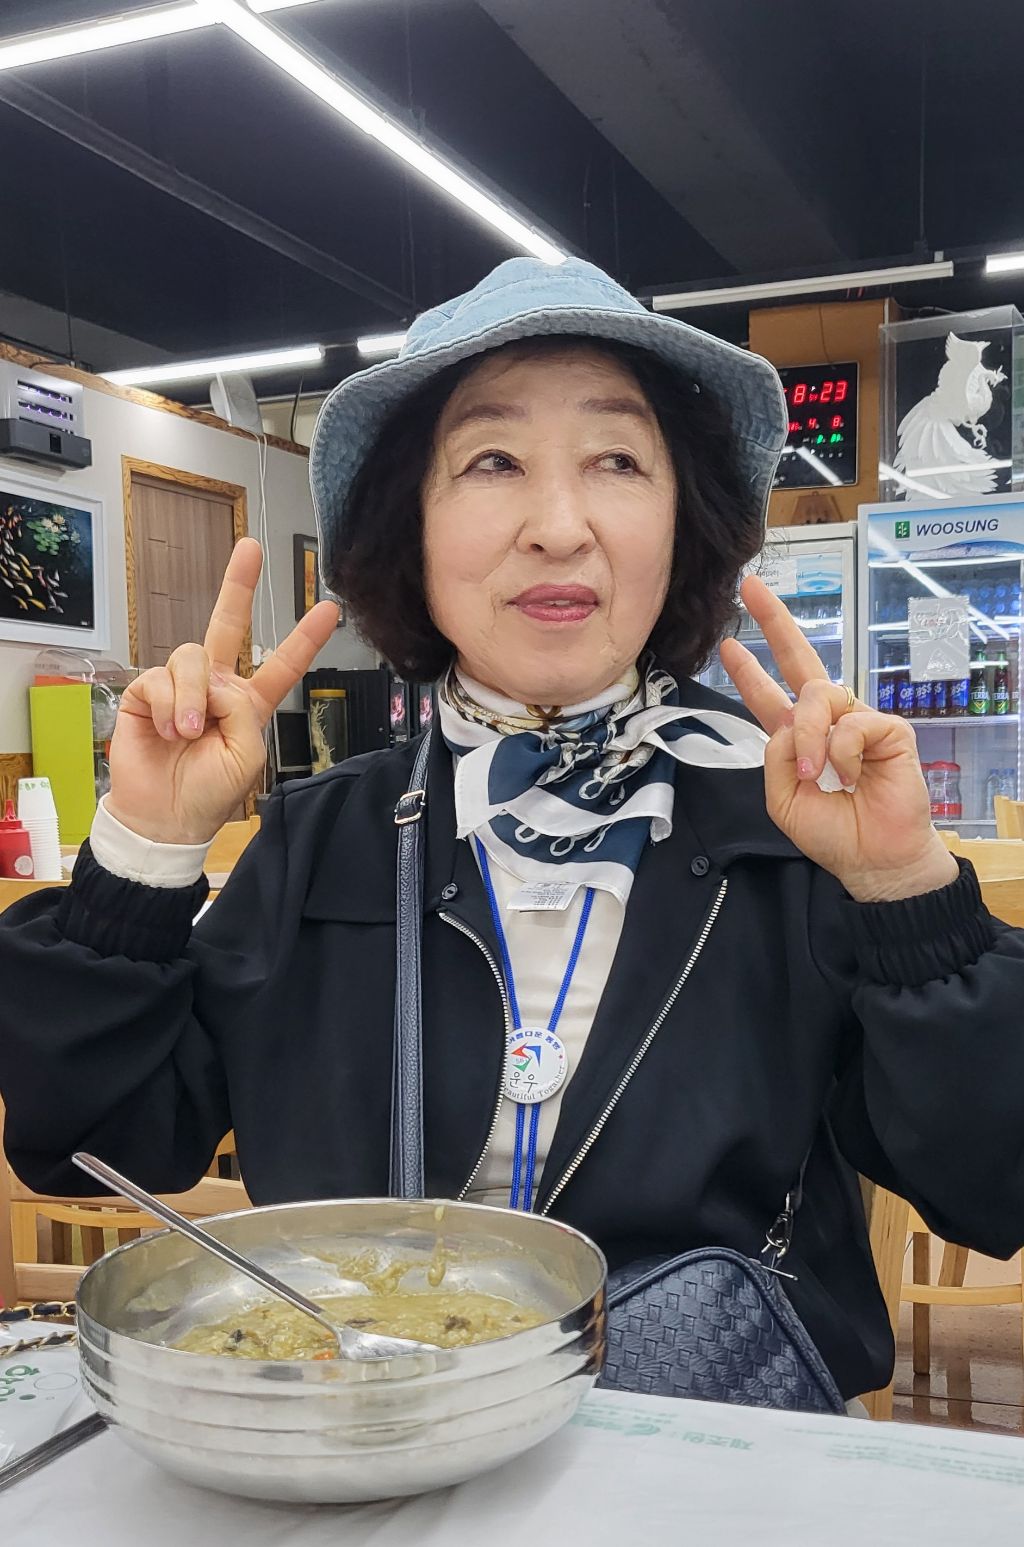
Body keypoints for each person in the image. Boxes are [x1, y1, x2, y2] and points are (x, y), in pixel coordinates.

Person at [2, 257, 1023, 1406]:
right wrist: (144, 846)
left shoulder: (792, 835)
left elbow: (995, 1181)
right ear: (411, 526)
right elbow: (91, 1143)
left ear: (683, 521)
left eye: (617, 460)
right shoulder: (320, 841)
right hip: (357, 1443)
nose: (558, 526)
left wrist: (907, 889)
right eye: (492, 461)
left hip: (701, 1445)